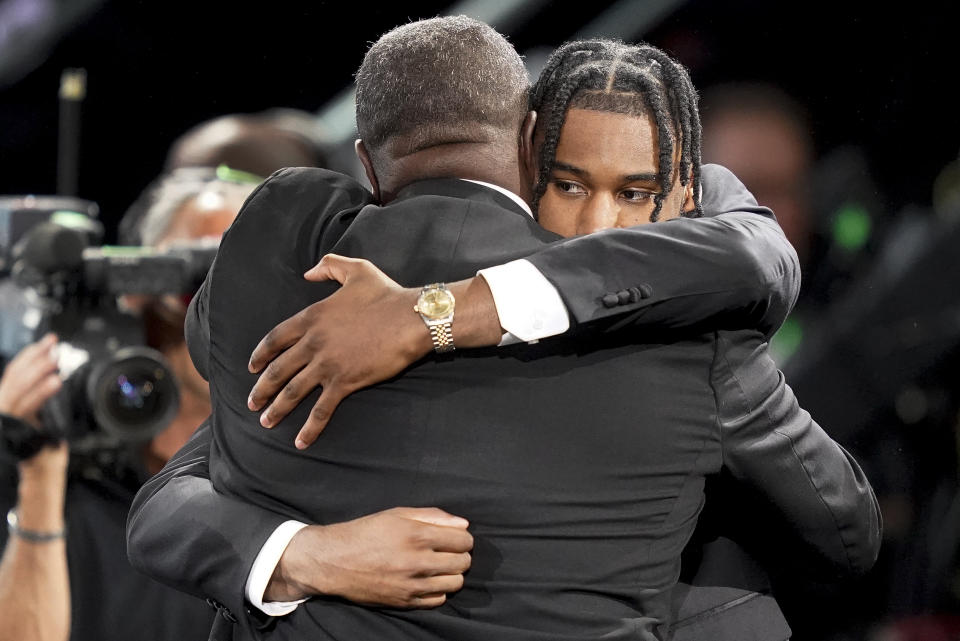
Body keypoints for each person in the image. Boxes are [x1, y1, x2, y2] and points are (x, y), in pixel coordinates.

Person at [128, 19, 879, 641]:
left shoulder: (283, 278)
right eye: (575, 183)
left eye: (634, 192)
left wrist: (436, 316)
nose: (597, 225)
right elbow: (843, 534)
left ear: (365, 160)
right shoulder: (689, 332)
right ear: (532, 141)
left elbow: (179, 482)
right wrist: (313, 554)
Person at [0, 170, 257, 641]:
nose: (219, 311)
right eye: (197, 282)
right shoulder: (57, 455)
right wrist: (38, 473)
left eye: (247, 280)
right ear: (139, 290)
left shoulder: (289, 460)